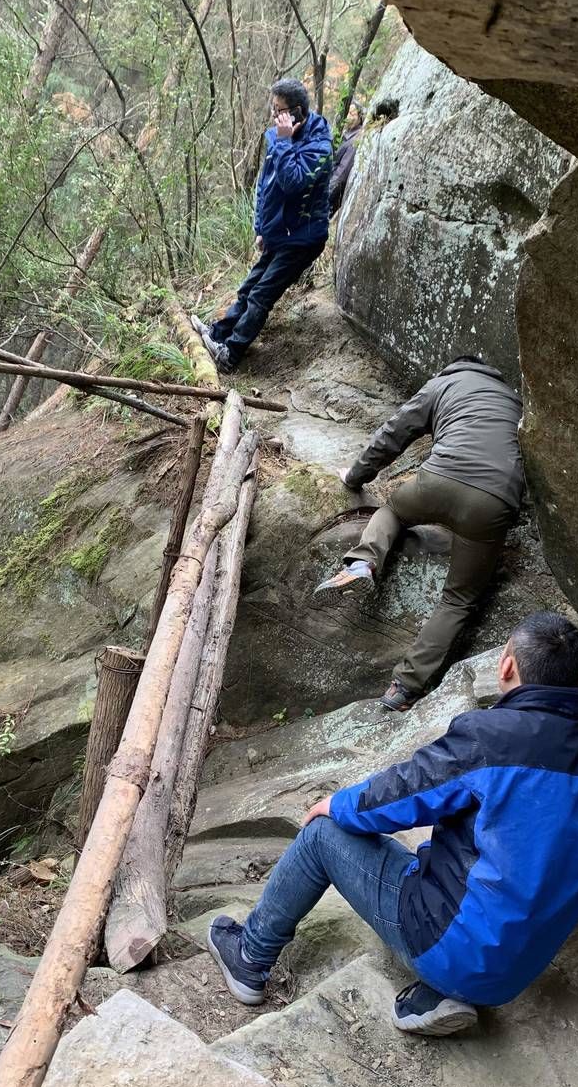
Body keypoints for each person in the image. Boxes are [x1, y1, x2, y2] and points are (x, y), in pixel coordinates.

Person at [206, 612, 578, 1037]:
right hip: (515, 974)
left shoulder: (489, 737)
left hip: (443, 941)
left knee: (320, 836)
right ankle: (437, 998)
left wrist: (337, 804)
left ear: (508, 666)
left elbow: (401, 795)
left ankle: (250, 957)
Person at [313, 353, 523, 712]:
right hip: (493, 501)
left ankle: (364, 559)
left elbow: (393, 434)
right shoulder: (514, 401)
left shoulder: (442, 384)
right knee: (458, 600)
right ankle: (404, 688)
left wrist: (354, 477)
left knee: (392, 510)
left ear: (452, 367)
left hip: (437, 481)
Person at [192, 78, 332, 375]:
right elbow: (265, 188)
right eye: (272, 109)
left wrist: (283, 141)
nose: (273, 115)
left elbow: (294, 183)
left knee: (261, 296)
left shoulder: (319, 145)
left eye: (278, 110)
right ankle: (218, 334)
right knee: (248, 288)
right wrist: (261, 228)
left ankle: (230, 354)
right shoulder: (277, 137)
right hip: (279, 233)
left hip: (303, 238)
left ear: (295, 111)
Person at [328, 103, 365, 217]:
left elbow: (341, 174)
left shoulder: (356, 139)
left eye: (352, 113)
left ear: (359, 117)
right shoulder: (346, 135)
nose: (348, 117)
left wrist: (326, 194)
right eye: (347, 113)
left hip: (332, 195)